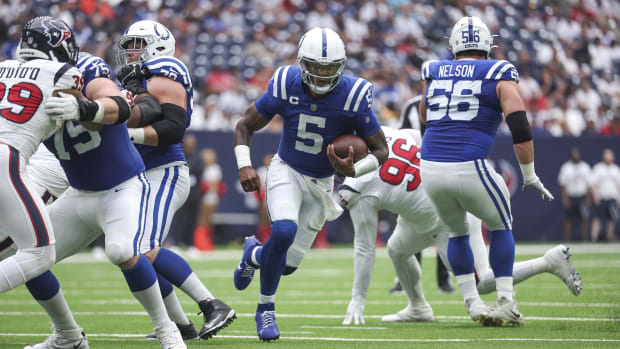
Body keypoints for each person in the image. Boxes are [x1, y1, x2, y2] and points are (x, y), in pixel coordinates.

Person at [232, 27, 388, 341]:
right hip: (287, 169)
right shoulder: (286, 83)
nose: (321, 74)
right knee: (284, 230)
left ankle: (253, 255)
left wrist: (356, 169)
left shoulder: (354, 95)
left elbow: (382, 150)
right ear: (303, 63)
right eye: (315, 66)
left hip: (322, 182)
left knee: (286, 264)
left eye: (329, 68)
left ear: (341, 66)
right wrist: (244, 164)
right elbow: (245, 125)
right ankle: (265, 311)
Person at [338, 127, 580, 325]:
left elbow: (365, 248)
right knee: (397, 250)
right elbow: (416, 138)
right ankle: (418, 307)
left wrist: (358, 299)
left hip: (447, 216)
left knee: (481, 283)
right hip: (426, 206)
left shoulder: (358, 188)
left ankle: (549, 262)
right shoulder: (387, 132)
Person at [34, 48, 187, 348]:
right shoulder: (30, 88)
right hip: (79, 192)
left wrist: (84, 109)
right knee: (32, 255)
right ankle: (67, 335)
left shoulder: (87, 71)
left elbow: (118, 105)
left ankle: (167, 329)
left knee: (120, 250)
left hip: (122, 185)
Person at [418, 16, 554, 326]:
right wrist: (529, 174)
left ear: (453, 45)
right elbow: (519, 123)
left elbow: (424, 116)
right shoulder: (499, 71)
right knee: (500, 225)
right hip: (468, 163)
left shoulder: (434, 70)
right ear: (486, 45)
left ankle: (472, 303)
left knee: (457, 231)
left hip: (430, 166)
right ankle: (505, 301)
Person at [116, 20, 236, 340]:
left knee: (142, 247)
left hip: (164, 169)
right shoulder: (141, 78)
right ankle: (181, 325)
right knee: (132, 251)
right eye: (128, 45)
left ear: (157, 46)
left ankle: (213, 305)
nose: (130, 51)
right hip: (142, 174)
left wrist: (127, 129)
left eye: (137, 44)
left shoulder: (166, 69)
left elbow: (171, 128)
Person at [193, 148, 226, 251]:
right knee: (202, 220)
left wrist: (211, 188)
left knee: (208, 220)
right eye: (206, 156)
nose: (208, 158)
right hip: (203, 197)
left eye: (210, 156)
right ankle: (199, 244)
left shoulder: (215, 168)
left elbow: (215, 185)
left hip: (212, 197)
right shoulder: (201, 168)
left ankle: (206, 243)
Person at [558, 147, 592, 241]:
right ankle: (567, 239)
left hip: (582, 196)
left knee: (584, 219)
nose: (575, 156)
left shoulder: (585, 167)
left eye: (577, 154)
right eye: (574, 154)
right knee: (568, 219)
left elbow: (589, 184)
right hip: (571, 196)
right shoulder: (566, 167)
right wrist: (565, 198)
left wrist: (588, 198)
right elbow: (563, 185)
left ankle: (584, 238)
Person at [590, 149, 620, 242]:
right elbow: (594, 184)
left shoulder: (616, 169)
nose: (608, 157)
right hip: (601, 198)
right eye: (607, 155)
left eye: (610, 155)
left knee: (611, 220)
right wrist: (595, 196)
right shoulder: (598, 168)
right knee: (597, 219)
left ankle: (610, 237)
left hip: (612, 198)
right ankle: (594, 239)